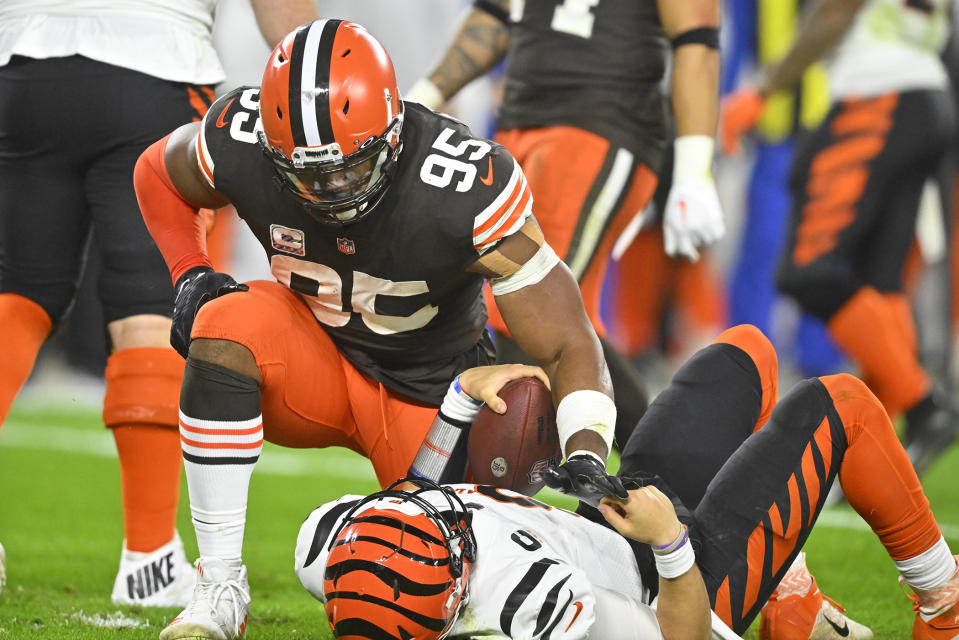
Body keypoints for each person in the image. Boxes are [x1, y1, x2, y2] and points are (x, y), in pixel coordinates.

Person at [135, 18, 627, 640]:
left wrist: (584, 454)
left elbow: (566, 341)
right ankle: (220, 584)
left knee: (444, 592)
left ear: (394, 132)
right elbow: (156, 173)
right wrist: (190, 272)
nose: (329, 189)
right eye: (307, 174)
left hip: (432, 398)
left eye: (347, 168)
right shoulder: (242, 134)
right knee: (223, 319)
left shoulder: (461, 183)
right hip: (314, 361)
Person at [297, 324, 959, 640]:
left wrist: (460, 402)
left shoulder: (333, 545)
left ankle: (792, 605)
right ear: (458, 588)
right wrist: (670, 544)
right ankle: (943, 606)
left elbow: (409, 500)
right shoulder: (542, 608)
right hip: (679, 584)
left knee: (745, 355)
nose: (424, 508)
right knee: (842, 403)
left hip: (605, 525)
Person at [0, 0, 317, 607]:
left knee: (21, 293)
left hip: (25, 64)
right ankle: (148, 560)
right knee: (146, 304)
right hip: (154, 63)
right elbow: (287, 20)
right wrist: (312, 84)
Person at [404, 0, 726, 445]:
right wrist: (423, 98)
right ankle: (668, 468)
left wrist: (694, 170)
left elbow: (697, 39)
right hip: (520, 122)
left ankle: (654, 470)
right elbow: (496, 16)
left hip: (602, 124)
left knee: (528, 309)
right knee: (554, 319)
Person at [720, 0, 959, 476]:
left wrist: (763, 89)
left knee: (807, 270)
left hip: (875, 96)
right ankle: (877, 458)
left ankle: (924, 405)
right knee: (879, 284)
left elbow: (836, 9)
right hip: (926, 94)